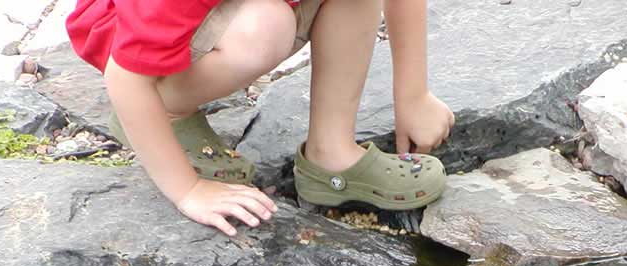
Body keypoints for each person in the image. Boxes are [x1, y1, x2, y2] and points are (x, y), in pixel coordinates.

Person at [65, 0, 454, 237]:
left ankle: (332, 151)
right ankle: (166, 109)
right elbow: (125, 77)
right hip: (130, 49)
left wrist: (413, 95)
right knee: (266, 28)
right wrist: (188, 191)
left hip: (220, 17)